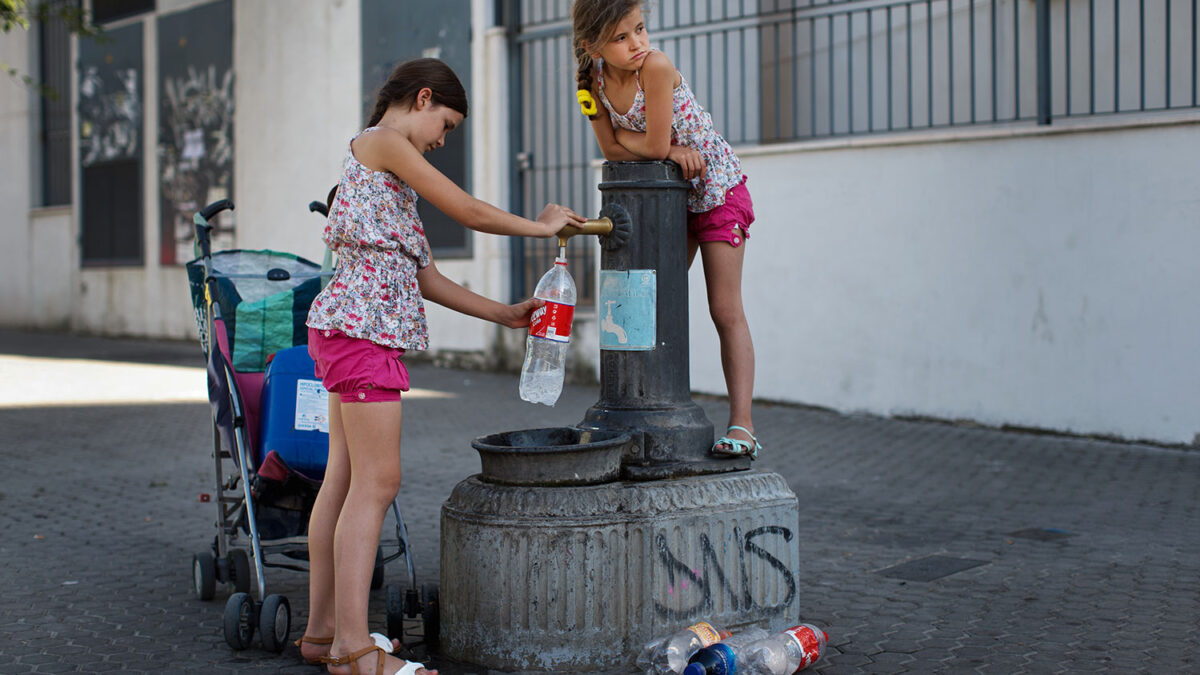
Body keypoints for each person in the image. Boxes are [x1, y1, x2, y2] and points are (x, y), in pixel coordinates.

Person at [295, 58, 585, 675]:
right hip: (361, 337)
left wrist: (505, 315)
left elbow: (425, 278)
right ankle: (352, 650)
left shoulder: (388, 177)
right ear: (422, 98)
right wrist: (540, 227)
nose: (443, 140)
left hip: (349, 333)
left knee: (345, 483)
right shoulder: (383, 143)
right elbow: (469, 210)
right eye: (446, 124)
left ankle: (324, 634)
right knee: (377, 483)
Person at [572, 1, 761, 459]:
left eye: (639, 29)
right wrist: (665, 150)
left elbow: (644, 145)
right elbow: (614, 151)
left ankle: (743, 426)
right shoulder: (589, 85)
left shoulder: (654, 67)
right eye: (621, 37)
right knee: (650, 300)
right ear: (590, 46)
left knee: (724, 308)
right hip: (666, 200)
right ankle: (644, 409)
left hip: (715, 192)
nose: (637, 43)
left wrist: (655, 146)